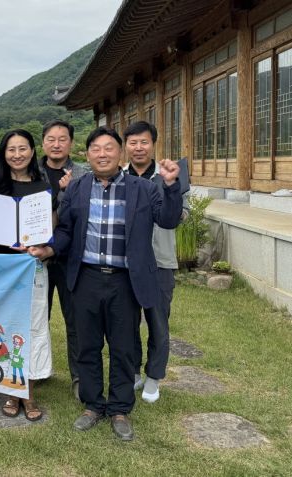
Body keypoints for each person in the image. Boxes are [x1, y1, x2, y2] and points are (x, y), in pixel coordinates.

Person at [40, 127, 183, 441]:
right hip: (86, 278)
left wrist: (171, 186)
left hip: (124, 280)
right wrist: (50, 248)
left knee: (122, 347)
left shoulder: (142, 188)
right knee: (88, 345)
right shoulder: (77, 188)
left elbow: (169, 220)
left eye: (109, 148)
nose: (102, 154)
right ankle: (92, 404)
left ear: (121, 154)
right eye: (96, 148)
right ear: (87, 154)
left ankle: (119, 408)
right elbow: (65, 230)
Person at [0, 129, 54, 422]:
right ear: (4, 154)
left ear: (33, 152)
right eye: (11, 149)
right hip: (4, 268)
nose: (17, 154)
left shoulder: (42, 186)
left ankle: (28, 392)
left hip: (32, 265)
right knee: (5, 328)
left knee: (33, 329)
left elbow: (53, 226)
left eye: (23, 148)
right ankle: (12, 390)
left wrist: (44, 248)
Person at [124, 121, 189, 404]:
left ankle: (153, 376)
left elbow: (180, 216)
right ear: (125, 146)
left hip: (160, 261)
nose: (138, 148)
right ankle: (133, 372)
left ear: (153, 144)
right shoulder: (118, 177)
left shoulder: (168, 175)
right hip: (125, 262)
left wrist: (171, 187)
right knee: (126, 322)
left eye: (144, 142)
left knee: (158, 322)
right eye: (133, 142)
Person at [39, 119, 86, 400]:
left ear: (71, 142)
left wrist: (69, 192)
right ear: (43, 142)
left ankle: (79, 376)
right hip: (36, 257)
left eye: (63, 139)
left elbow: (82, 216)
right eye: (51, 139)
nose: (57, 144)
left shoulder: (83, 174)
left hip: (71, 258)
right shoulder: (31, 171)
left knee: (75, 320)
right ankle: (37, 370)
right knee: (36, 316)